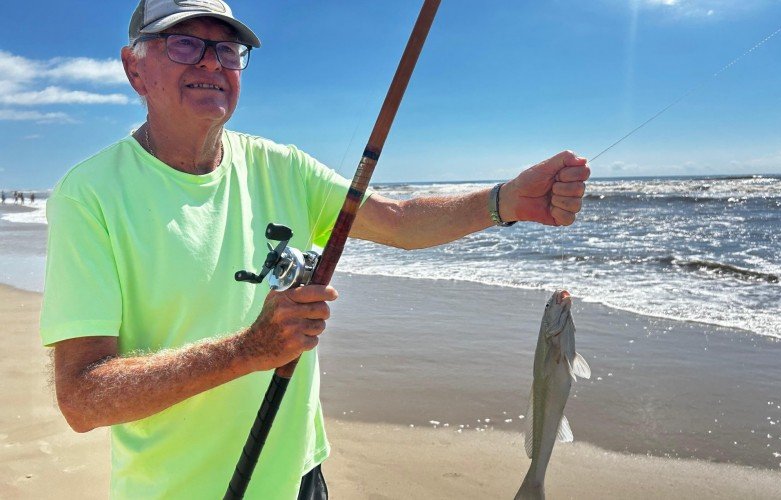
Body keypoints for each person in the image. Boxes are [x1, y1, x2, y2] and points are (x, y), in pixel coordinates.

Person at [40, 1, 590, 499]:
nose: (211, 64)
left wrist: (506, 201)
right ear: (134, 67)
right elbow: (82, 399)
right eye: (185, 44)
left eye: (227, 50)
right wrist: (246, 351)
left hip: (301, 479)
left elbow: (398, 222)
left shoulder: (282, 166)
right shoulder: (89, 196)